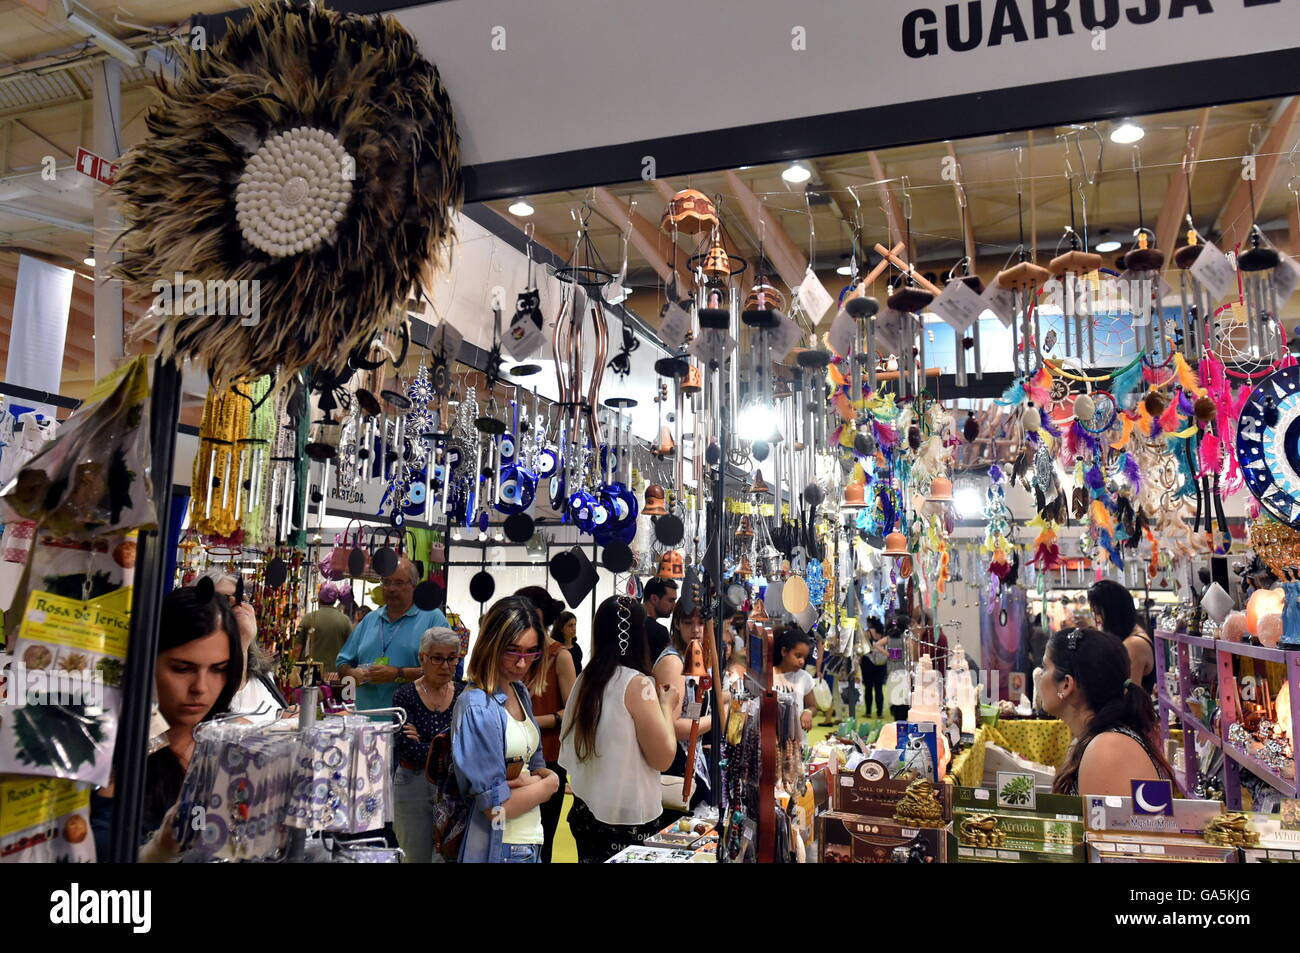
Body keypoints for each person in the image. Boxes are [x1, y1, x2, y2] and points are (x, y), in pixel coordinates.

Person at [91, 586, 244, 861]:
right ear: (146, 661)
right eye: (182, 668)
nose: (200, 688)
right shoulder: (110, 746)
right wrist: (158, 852)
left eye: (218, 669)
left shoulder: (233, 744)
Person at [561, 596, 679, 863]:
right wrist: (666, 705)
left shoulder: (587, 679)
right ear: (639, 634)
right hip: (627, 820)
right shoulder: (638, 685)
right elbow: (663, 756)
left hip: (586, 810)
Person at [450, 595, 559, 863]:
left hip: (529, 840)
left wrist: (532, 781)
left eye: (531, 652)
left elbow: (536, 765)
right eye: (513, 651)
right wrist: (549, 785)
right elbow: (496, 809)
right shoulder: (477, 706)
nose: (522, 663)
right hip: (500, 847)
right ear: (492, 646)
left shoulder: (519, 692)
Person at [1037, 627, 1176, 796]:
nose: (1040, 676)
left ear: (1066, 684)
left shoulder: (1108, 748)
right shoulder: (1101, 740)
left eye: (1045, 667)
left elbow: (1122, 822)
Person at [336, 558, 450, 713]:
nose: (391, 589)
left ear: (414, 586)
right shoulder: (370, 620)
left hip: (411, 723)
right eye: (386, 582)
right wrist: (351, 673)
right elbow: (343, 661)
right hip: (365, 721)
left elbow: (446, 671)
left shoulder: (433, 618)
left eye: (399, 583)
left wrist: (398, 674)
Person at [391, 627, 464, 863]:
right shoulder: (403, 696)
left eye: (451, 658)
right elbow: (408, 750)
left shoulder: (465, 695)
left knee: (449, 856)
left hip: (454, 787)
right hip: (412, 783)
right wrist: (447, 745)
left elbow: (468, 749)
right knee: (414, 855)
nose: (445, 665)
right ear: (422, 658)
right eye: (437, 658)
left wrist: (426, 742)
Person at [517, 587, 578, 863]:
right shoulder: (510, 654)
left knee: (543, 836)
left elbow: (573, 710)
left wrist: (533, 721)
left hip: (547, 756)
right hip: (511, 756)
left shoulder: (559, 655)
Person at [653, 603, 730, 817]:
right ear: (677, 623)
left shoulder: (693, 655)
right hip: (675, 761)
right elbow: (674, 726)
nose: (695, 629)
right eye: (688, 623)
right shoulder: (673, 662)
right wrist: (718, 716)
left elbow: (696, 706)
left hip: (692, 757)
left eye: (700, 623)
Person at [199, 568, 284, 724]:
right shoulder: (199, 682)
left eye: (242, 599)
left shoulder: (263, 678)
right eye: (223, 600)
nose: (236, 603)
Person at [1089, 579, 1155, 695]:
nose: (1097, 619)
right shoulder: (1132, 637)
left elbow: (1128, 695)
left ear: (1111, 612)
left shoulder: (1134, 644)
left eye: (1098, 612)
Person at [294, 581, 353, 677]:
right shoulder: (345, 620)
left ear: (319, 598)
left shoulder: (308, 618)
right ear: (335, 600)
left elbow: (297, 648)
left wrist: (293, 671)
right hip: (336, 675)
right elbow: (351, 649)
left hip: (310, 674)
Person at [773, 627, 817, 741]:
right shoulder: (769, 675)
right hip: (773, 739)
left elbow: (813, 706)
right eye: (798, 656)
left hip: (798, 741)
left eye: (804, 657)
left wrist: (808, 712)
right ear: (784, 652)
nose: (802, 661)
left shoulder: (804, 677)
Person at [642, 577, 678, 661]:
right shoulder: (659, 632)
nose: (674, 605)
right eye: (670, 600)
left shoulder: (627, 620)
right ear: (654, 599)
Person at [859, 617, 888, 719]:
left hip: (868, 662)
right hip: (881, 663)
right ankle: (880, 713)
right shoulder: (883, 633)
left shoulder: (867, 633)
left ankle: (868, 712)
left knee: (868, 688)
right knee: (879, 688)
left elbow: (863, 647)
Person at [552, 610, 582, 675]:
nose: (574, 628)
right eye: (570, 625)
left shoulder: (576, 647)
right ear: (561, 628)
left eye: (575, 624)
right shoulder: (556, 649)